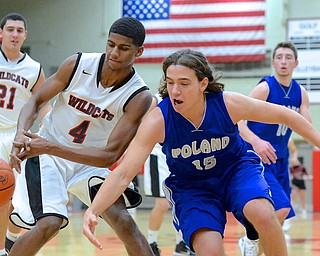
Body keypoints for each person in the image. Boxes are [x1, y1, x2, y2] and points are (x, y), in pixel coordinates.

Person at [82, 48, 320, 255]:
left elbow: (287, 115)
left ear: (203, 83)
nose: (175, 90)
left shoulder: (227, 103)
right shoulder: (158, 120)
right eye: (170, 82)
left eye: (184, 83)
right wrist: (93, 210)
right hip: (192, 186)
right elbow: (124, 173)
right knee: (210, 250)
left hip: (235, 171)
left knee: (264, 214)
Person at [8, 17, 154, 256]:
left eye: (124, 48)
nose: (114, 52)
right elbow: (35, 101)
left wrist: (49, 147)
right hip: (47, 157)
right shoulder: (77, 64)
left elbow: (109, 156)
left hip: (88, 162)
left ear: (139, 51)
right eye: (111, 44)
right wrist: (21, 134)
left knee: (124, 221)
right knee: (49, 224)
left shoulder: (138, 96)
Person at [237, 41, 312, 255]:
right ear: (273, 62)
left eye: (288, 57)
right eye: (279, 57)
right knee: (280, 209)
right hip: (258, 159)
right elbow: (237, 121)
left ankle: (250, 246)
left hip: (280, 159)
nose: (283, 61)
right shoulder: (265, 88)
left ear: (296, 63)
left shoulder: (300, 93)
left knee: (276, 220)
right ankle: (250, 243)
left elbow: (308, 127)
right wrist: (256, 141)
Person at [0, 13, 50, 256]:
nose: (14, 34)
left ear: (25, 35)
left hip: (16, 138)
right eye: (10, 29)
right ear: (1, 33)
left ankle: (9, 241)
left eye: (19, 30)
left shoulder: (34, 68)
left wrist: (46, 128)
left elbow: (43, 103)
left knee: (11, 198)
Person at [144, 94, 195, 256]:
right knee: (162, 204)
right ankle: (151, 243)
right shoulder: (156, 100)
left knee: (182, 202)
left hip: (180, 155)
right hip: (158, 155)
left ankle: (181, 242)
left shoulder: (191, 100)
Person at [288, 139, 312, 220]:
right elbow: (290, 175)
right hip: (295, 183)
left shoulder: (302, 168)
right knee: (293, 197)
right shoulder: (291, 169)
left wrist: (308, 177)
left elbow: (307, 175)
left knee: (302, 197)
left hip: (301, 183)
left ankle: (304, 210)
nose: (293, 161)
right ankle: (291, 211)